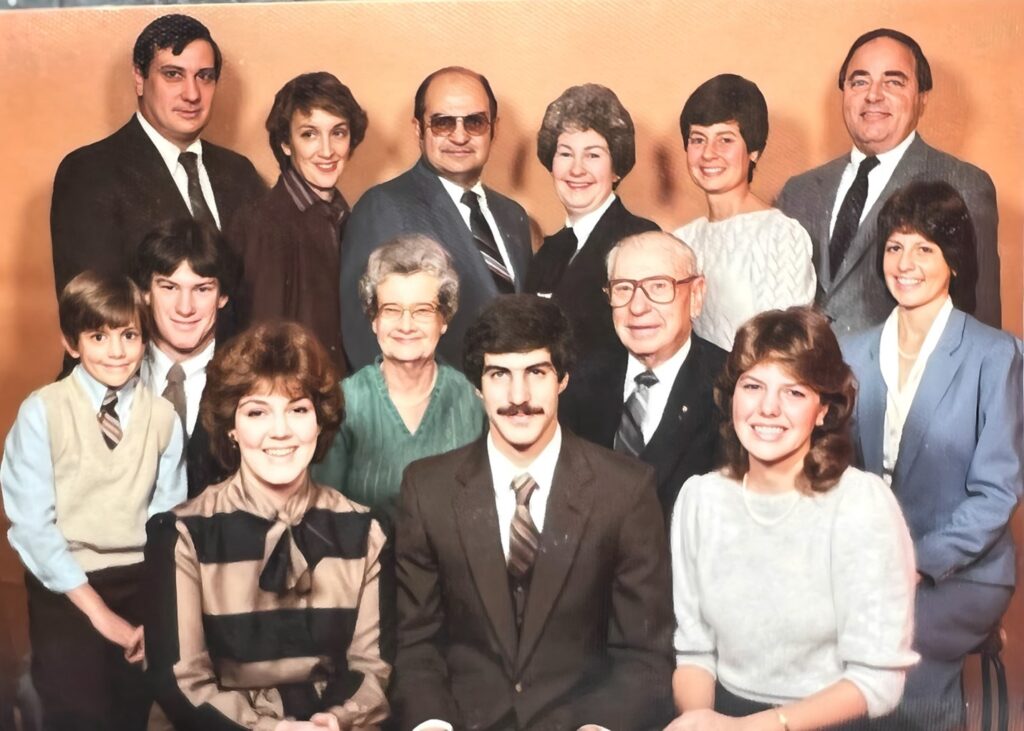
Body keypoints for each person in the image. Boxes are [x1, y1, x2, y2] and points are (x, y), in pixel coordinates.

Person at [392, 294, 673, 731]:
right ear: (476, 384)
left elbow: (644, 656)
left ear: (562, 379)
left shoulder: (625, 490)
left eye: (536, 373)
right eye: (499, 374)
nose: (518, 397)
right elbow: (416, 645)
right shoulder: (427, 489)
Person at [667, 306, 918, 731]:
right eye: (753, 386)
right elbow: (695, 653)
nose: (768, 408)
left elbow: (877, 682)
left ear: (823, 410)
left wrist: (751, 728)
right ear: (732, 397)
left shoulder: (861, 504)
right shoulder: (700, 499)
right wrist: (698, 722)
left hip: (832, 721)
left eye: (794, 392)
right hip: (724, 717)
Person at [144, 321, 390, 729]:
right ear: (232, 428)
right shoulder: (182, 535)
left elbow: (372, 668)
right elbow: (181, 682)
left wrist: (336, 721)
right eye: (257, 411)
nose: (280, 431)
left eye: (298, 410)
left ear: (319, 421)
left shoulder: (367, 532)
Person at [841, 181, 1022, 730]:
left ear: (955, 260)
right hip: (867, 568)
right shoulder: (851, 351)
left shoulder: (996, 354)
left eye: (925, 248)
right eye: (895, 246)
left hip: (959, 571)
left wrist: (913, 561)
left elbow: (996, 494)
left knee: (896, 661)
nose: (906, 262)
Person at [0, 272, 185, 729]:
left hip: (139, 585)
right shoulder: (43, 411)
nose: (117, 351)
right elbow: (32, 528)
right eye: (98, 336)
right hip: (65, 587)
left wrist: (157, 614)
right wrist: (102, 617)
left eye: (129, 335)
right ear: (71, 342)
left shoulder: (162, 417)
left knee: (131, 712)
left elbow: (167, 523)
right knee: (78, 715)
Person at [777, 28, 1001, 334]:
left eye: (893, 81)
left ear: (922, 98)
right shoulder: (798, 191)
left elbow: (982, 324)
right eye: (859, 81)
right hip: (805, 376)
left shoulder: (963, 183)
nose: (873, 95)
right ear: (844, 92)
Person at [50, 14, 264, 300]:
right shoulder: (89, 173)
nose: (192, 94)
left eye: (204, 77)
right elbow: (94, 312)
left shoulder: (240, 173)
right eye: (173, 74)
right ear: (140, 78)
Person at [340, 66, 532, 371]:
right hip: (431, 411)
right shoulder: (383, 206)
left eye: (474, 122)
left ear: (493, 129)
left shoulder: (513, 216)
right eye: (443, 123)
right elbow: (361, 336)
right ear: (418, 129)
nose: (460, 136)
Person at [313, 235, 485, 524]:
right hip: (364, 565)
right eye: (391, 310)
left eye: (422, 311)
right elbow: (325, 518)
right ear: (374, 319)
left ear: (443, 320)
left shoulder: (474, 400)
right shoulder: (343, 403)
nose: (406, 326)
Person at [560, 231, 726, 521]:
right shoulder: (575, 382)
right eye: (623, 288)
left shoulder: (732, 387)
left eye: (659, 286)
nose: (637, 307)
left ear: (697, 295)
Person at [229, 72, 368, 374]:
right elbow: (261, 345)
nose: (327, 150)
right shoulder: (265, 223)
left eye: (338, 133)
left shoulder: (347, 217)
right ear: (286, 144)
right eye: (309, 134)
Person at [675, 74, 815, 351]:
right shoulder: (681, 240)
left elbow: (782, 349)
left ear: (753, 151)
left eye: (725, 139)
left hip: (755, 390)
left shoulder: (780, 235)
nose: (708, 153)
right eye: (698, 139)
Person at [525, 83, 659, 360]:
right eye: (565, 153)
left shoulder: (641, 239)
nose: (576, 169)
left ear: (616, 169)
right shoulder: (548, 252)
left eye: (593, 155)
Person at [134, 218, 237, 497]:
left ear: (222, 296)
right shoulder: (106, 371)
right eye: (169, 287)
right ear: (145, 292)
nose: (185, 308)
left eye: (202, 289)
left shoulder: (248, 378)